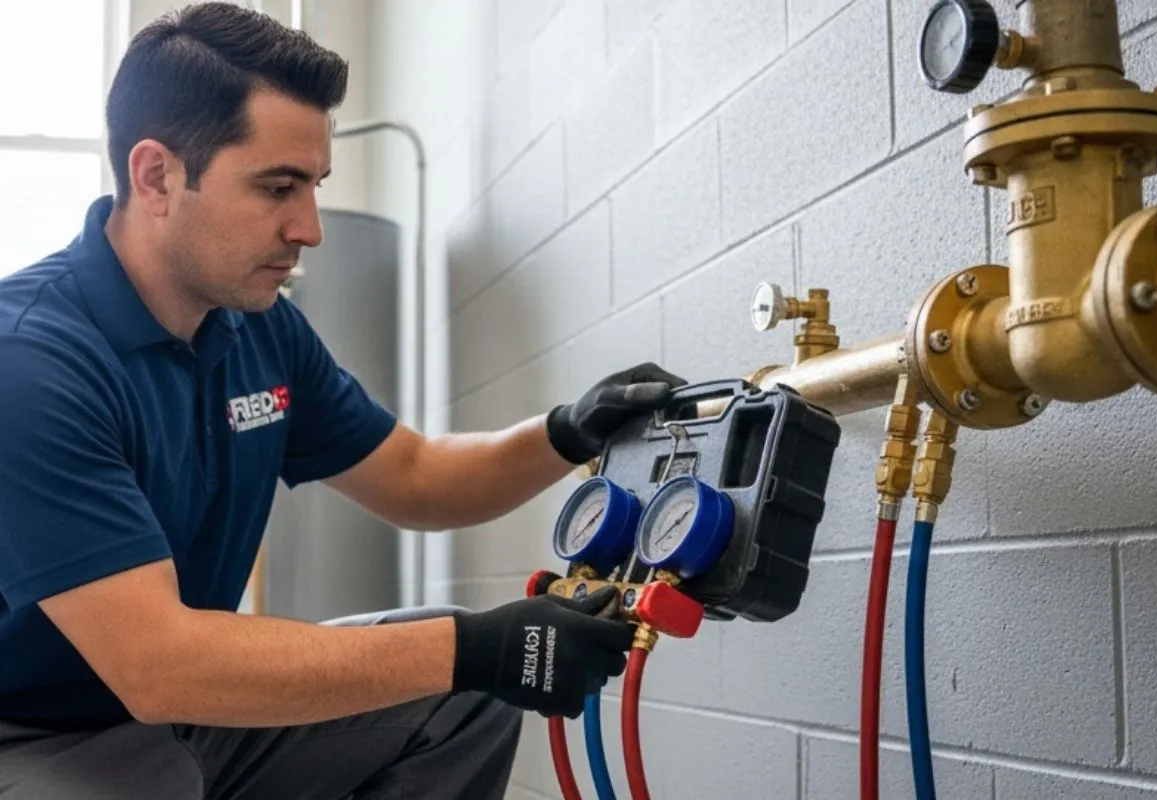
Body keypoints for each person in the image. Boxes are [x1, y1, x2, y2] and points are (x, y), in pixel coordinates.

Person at [0, 4, 686, 798]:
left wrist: (566, 431)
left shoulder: (261, 331)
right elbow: (161, 665)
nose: (310, 228)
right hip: (35, 734)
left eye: (316, 187)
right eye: (278, 187)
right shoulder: (31, 359)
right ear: (156, 175)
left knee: (460, 701)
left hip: (180, 717)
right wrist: (479, 643)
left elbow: (415, 474)